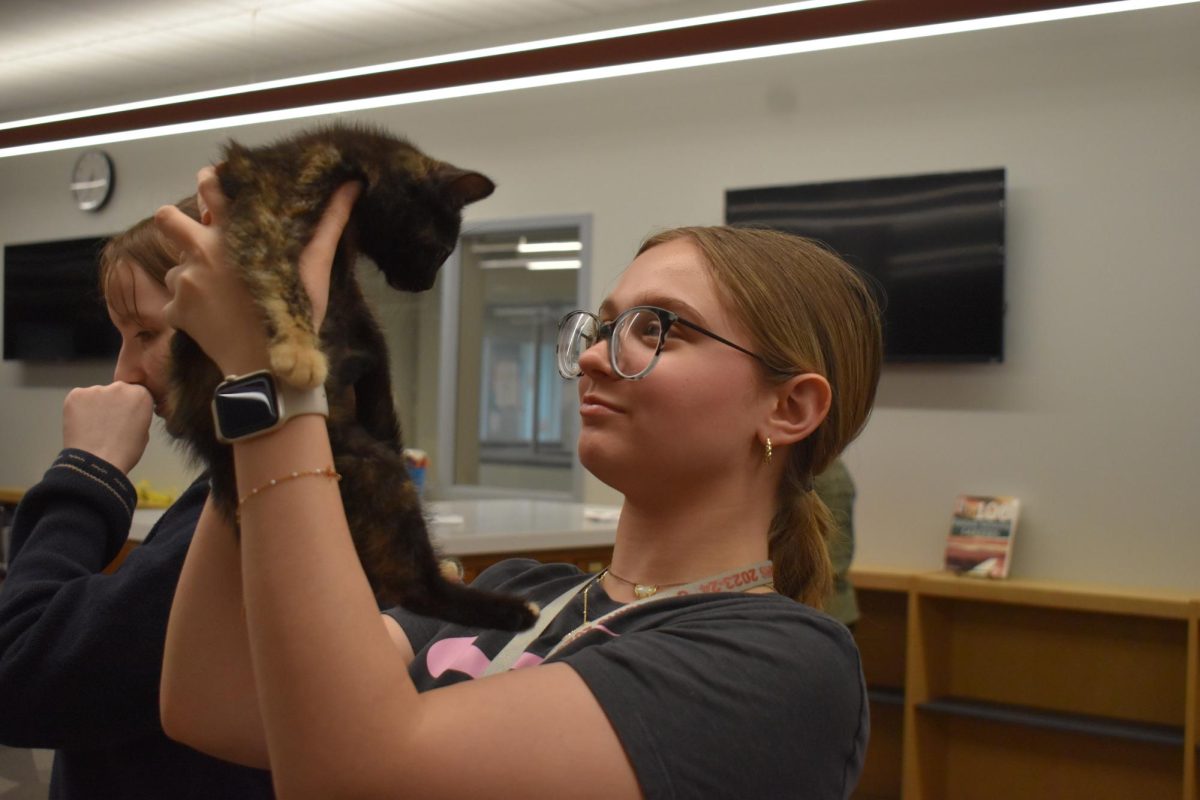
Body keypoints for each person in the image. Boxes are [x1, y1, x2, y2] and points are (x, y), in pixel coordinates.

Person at [157, 168, 883, 799]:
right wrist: (242, 373)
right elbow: (213, 700)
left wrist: (276, 378)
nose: (597, 358)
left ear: (789, 408)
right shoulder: (513, 594)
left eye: (660, 329)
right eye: (603, 328)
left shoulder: (783, 666)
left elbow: (357, 775)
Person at [0, 200, 274, 799]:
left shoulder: (258, 506)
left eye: (147, 333)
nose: (124, 372)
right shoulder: (269, 484)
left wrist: (86, 471)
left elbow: (18, 672)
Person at [816, 458, 860, 629]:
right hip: (831, 609)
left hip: (823, 611)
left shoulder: (823, 471)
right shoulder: (829, 469)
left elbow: (832, 565)